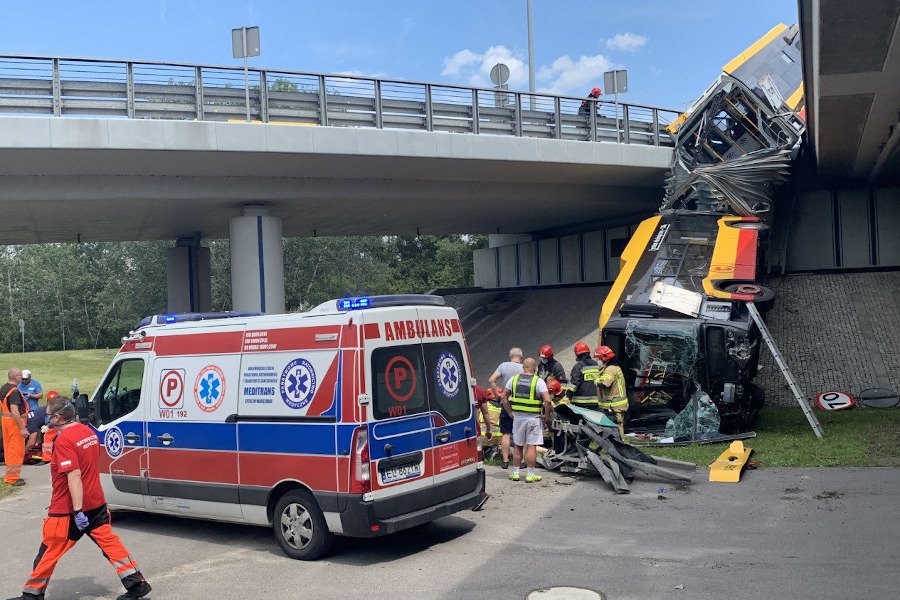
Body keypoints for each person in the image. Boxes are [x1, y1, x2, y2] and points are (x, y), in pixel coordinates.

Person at [9, 396, 152, 600]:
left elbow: (74, 475)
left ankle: (32, 595)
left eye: (48, 415)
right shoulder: (87, 431)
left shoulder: (65, 440)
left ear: (58, 418)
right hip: (96, 502)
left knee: (49, 549)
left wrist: (77, 511)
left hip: (69, 508)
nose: (45, 418)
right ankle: (136, 583)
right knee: (110, 544)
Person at [500, 357, 551, 483]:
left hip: (518, 418)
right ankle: (530, 474)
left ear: (524, 367)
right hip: (533, 418)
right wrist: (546, 415)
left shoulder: (514, 379)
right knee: (532, 446)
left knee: (518, 445)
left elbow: (503, 397)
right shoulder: (538, 382)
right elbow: (548, 401)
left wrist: (510, 412)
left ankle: (516, 473)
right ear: (534, 368)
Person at [487, 347, 524, 469]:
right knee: (521, 433)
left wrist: (498, 395)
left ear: (510, 355)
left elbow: (491, 380)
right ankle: (521, 460)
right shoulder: (524, 368)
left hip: (506, 402)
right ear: (521, 357)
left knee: (506, 433)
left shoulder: (503, 366)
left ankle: (505, 460)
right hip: (520, 403)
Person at [595, 345, 629, 439]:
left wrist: (596, 381)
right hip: (614, 406)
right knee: (616, 428)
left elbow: (605, 384)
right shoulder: (613, 367)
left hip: (614, 406)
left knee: (616, 429)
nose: (598, 360)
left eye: (598, 358)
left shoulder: (610, 369)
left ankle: (621, 448)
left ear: (604, 357)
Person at [2, 368, 29, 486]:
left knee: (9, 449)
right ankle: (12, 478)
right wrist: (22, 428)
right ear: (15, 377)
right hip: (14, 423)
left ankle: (9, 475)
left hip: (6, 421)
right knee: (16, 450)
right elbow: (15, 411)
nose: (21, 377)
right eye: (20, 375)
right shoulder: (14, 391)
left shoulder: (4, 388)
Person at [564, 342, 600, 409]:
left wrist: (568, 395)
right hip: (596, 402)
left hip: (581, 403)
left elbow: (574, 385)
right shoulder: (596, 365)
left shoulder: (578, 366)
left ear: (577, 354)